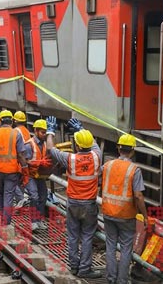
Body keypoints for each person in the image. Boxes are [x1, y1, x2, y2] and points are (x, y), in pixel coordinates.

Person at [46, 117, 102, 279]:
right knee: (87, 236)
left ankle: (74, 266)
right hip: (89, 205)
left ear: (76, 145)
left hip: (73, 203)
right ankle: (85, 269)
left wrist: (50, 130)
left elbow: (50, 148)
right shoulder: (97, 156)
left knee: (72, 235)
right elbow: (94, 144)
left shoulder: (70, 159)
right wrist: (81, 128)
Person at [102, 134, 148, 284]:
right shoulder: (134, 169)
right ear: (133, 151)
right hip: (126, 215)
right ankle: (122, 281)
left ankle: (110, 278)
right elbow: (139, 196)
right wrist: (145, 216)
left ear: (118, 147)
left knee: (110, 245)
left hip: (108, 212)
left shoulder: (108, 165)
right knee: (126, 249)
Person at [0, 110, 27, 226]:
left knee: (0, 193)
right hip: (11, 170)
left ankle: (2, 217)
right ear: (12, 121)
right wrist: (25, 168)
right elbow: (20, 154)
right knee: (8, 195)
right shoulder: (16, 134)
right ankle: (6, 222)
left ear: (0, 121)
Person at [24, 119, 52, 231]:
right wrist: (37, 163)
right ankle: (33, 222)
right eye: (42, 132)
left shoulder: (44, 144)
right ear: (35, 131)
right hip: (30, 175)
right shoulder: (29, 145)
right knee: (34, 196)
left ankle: (39, 220)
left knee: (43, 196)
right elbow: (24, 161)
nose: (44, 135)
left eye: (45, 132)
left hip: (39, 175)